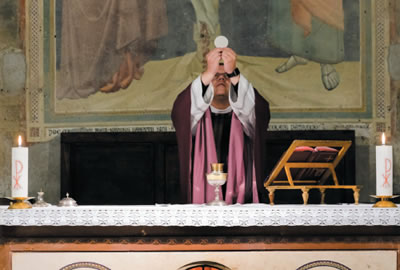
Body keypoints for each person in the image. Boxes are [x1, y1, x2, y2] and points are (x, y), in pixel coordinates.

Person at [171, 47, 270, 204]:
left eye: (227, 76)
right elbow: (179, 110)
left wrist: (235, 73)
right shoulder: (196, 114)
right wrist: (208, 72)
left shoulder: (245, 113)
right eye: (215, 76)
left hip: (242, 193)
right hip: (201, 192)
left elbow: (260, 110)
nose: (221, 79)